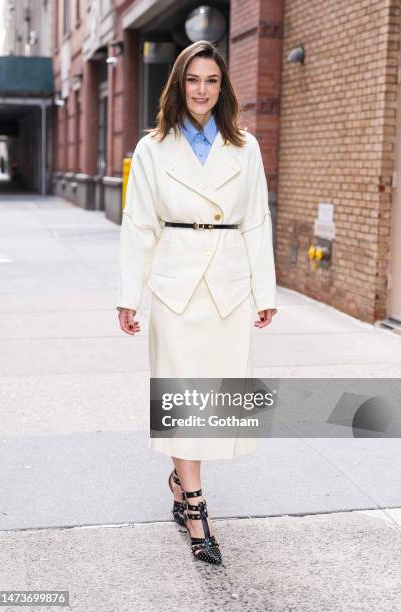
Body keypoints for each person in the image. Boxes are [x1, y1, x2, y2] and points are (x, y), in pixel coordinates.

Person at [116, 40, 277, 565]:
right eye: (192, 80)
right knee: (182, 396)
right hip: (174, 285)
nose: (202, 90)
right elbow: (138, 226)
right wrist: (129, 296)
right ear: (178, 85)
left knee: (218, 403)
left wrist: (264, 289)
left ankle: (179, 478)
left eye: (211, 81)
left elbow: (256, 219)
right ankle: (195, 506)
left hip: (228, 285)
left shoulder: (244, 146)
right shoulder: (152, 149)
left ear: (222, 87)